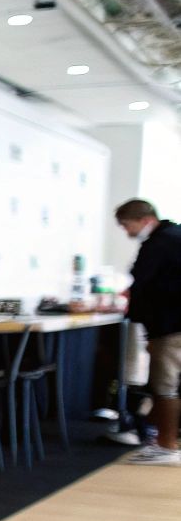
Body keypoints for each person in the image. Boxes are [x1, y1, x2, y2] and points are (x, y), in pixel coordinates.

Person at [116, 198, 181, 466]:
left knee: (164, 384)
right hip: (171, 322)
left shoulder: (160, 244)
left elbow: (143, 281)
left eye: (126, 225)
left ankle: (167, 446)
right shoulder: (173, 236)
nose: (126, 231)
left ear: (145, 220)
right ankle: (167, 441)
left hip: (170, 324)